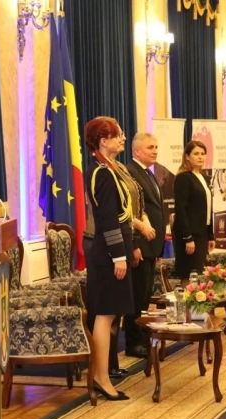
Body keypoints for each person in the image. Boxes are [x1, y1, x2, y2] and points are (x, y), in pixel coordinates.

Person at [83, 116, 134, 401]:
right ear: (104, 141)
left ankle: (101, 374)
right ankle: (100, 377)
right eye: (118, 135)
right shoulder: (101, 173)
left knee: (111, 314)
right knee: (104, 315)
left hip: (113, 251)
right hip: (107, 254)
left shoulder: (110, 169)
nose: (122, 138)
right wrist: (119, 256)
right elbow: (107, 219)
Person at [123, 132, 165, 359]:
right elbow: (132, 213)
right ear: (137, 151)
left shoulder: (148, 173)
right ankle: (133, 342)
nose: (155, 151)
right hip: (140, 244)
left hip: (152, 245)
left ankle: (142, 336)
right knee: (137, 296)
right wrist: (135, 245)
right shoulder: (131, 172)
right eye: (150, 147)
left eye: (156, 147)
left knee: (145, 295)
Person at [172, 140, 215, 285]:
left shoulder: (204, 177)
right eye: (196, 153)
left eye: (203, 153)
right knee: (189, 273)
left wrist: (210, 235)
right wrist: (187, 237)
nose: (200, 157)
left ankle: (197, 300)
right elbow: (181, 209)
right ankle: (188, 300)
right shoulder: (184, 178)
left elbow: (208, 208)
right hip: (189, 234)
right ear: (187, 157)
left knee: (198, 272)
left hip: (202, 233)